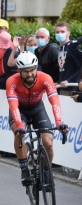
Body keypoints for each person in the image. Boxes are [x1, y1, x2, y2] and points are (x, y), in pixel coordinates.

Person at [6, 52, 68, 186]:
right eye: (25, 71)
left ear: (36, 67)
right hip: (19, 111)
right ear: (19, 71)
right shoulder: (12, 81)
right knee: (19, 135)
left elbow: (54, 101)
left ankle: (46, 171)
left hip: (37, 109)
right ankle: (24, 169)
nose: (29, 74)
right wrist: (20, 126)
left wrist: (58, 122)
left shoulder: (45, 78)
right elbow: (13, 105)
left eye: (32, 70)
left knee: (48, 142)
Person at [54, 22, 82, 95]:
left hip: (73, 89)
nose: (60, 34)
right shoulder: (60, 48)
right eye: (57, 32)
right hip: (63, 88)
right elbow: (64, 69)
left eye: (62, 32)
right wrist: (58, 82)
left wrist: (69, 81)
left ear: (68, 33)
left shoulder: (73, 47)